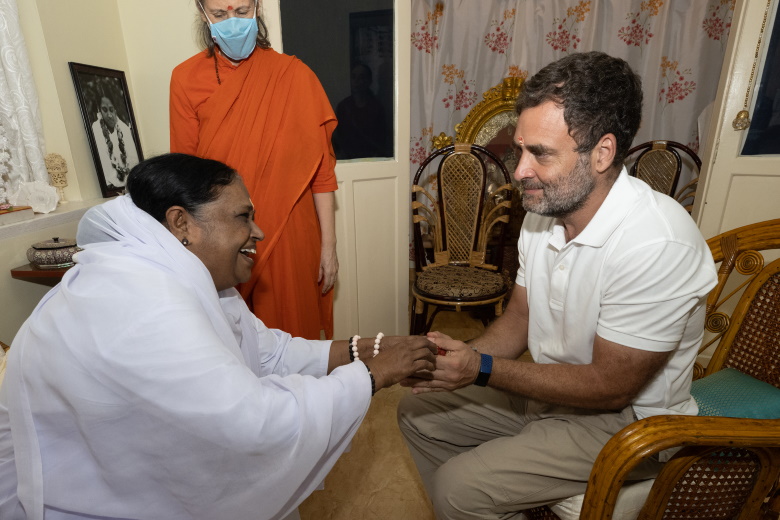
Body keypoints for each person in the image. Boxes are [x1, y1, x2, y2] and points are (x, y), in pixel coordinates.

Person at [0, 153, 435, 520]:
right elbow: (255, 422)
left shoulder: (181, 274)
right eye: (243, 216)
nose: (258, 232)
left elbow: (268, 353)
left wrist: (369, 349)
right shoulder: (145, 299)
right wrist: (374, 374)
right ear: (181, 224)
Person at [397, 51, 719, 518]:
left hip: (629, 423)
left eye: (541, 153)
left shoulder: (656, 242)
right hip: (552, 394)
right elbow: (519, 318)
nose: (519, 170)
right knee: (416, 413)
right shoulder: (543, 214)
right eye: (520, 149)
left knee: (456, 489)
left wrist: (480, 368)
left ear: (602, 153)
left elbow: (611, 386)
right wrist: (453, 360)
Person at [170, 0, 338, 340]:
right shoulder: (186, 78)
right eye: (220, 14)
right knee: (232, 343)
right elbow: (184, 174)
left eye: (242, 11)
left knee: (293, 342)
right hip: (221, 233)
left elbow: (321, 171)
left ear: (258, 7)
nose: (232, 21)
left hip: (290, 230)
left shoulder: (294, 76)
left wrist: (329, 246)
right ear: (203, 14)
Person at [333, 63, 390, 159]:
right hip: (348, 160)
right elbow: (338, 137)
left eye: (361, 77)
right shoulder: (343, 107)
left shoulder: (377, 108)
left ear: (369, 81)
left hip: (372, 159)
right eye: (353, 77)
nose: (357, 81)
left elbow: (382, 138)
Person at [91, 94, 140, 189]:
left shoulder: (124, 128)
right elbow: (105, 167)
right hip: (111, 187)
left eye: (111, 109)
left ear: (115, 110)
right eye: (105, 110)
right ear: (99, 112)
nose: (109, 115)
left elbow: (134, 161)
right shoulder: (96, 128)